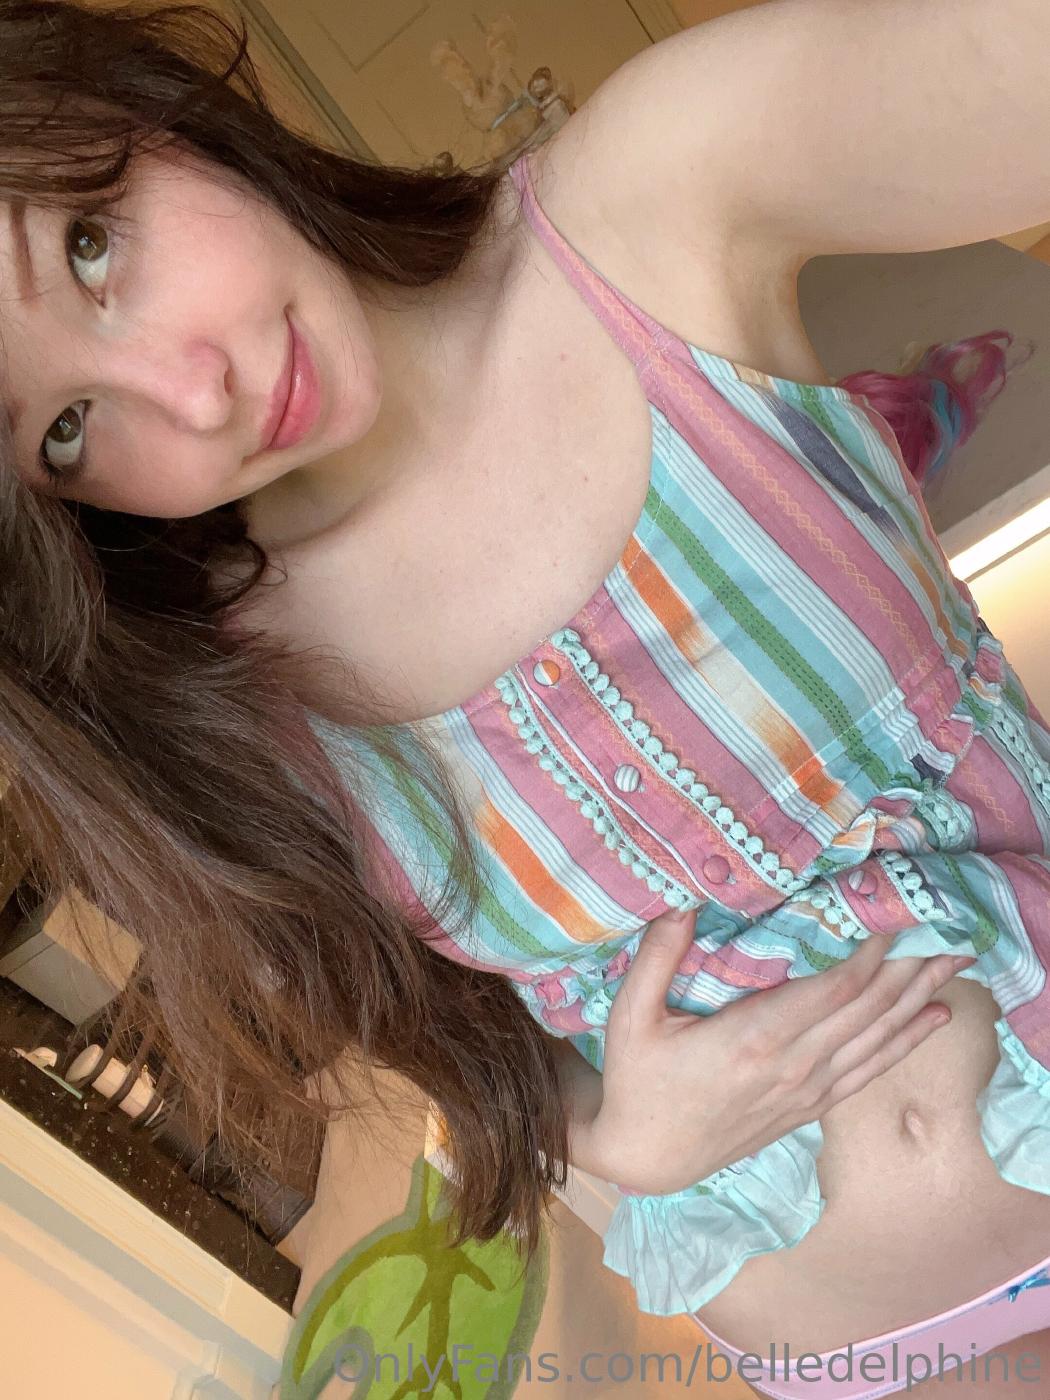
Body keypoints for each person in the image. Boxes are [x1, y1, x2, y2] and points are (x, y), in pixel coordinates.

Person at [2, 1, 1050, 1395]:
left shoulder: (648, 206)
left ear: (142, 107)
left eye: (91, 244)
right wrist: (607, 1136)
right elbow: (463, 1042)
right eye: (68, 428)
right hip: (859, 1352)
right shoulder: (226, 715)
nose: (195, 399)